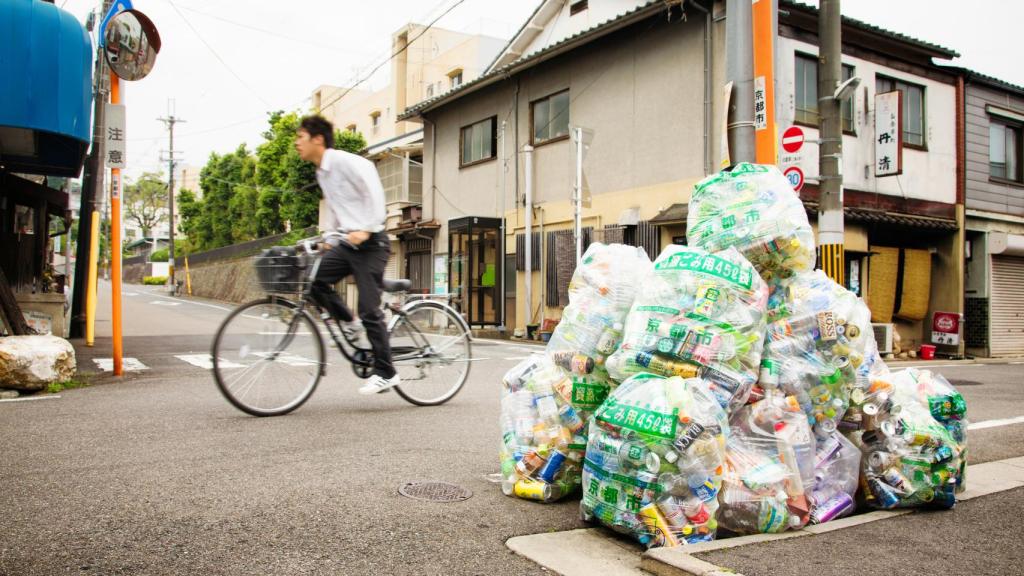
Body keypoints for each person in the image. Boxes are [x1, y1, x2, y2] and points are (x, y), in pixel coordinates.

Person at [294, 115, 398, 395]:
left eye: (300, 137)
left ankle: (386, 373)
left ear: (318, 139)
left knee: (369, 309)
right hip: (347, 243)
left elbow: (373, 191)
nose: (296, 143)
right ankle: (350, 324)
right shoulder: (322, 172)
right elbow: (334, 207)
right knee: (314, 280)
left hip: (372, 243)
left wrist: (366, 228)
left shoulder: (346, 161)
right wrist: (328, 239)